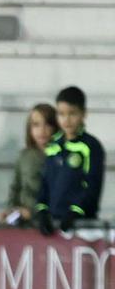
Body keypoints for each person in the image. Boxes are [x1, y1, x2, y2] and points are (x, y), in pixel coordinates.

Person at [35, 87, 106, 235]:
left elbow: (93, 186)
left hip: (82, 225)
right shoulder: (53, 145)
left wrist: (75, 213)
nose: (66, 120)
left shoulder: (90, 146)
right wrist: (42, 212)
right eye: (61, 114)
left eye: (72, 113)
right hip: (53, 224)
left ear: (84, 114)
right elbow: (45, 184)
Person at [0, 104, 56, 226]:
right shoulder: (24, 156)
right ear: (29, 128)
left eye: (47, 124)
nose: (42, 130)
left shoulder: (60, 157)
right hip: (24, 221)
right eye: (36, 125)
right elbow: (15, 187)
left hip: (50, 222)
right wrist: (10, 210)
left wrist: (33, 212)